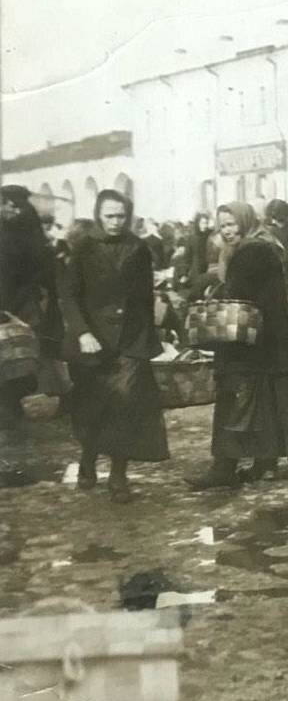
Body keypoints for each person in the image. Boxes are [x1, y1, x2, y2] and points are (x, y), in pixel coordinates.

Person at [187, 202, 288, 489]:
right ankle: (265, 464)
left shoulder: (251, 251)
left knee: (235, 399)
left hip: (250, 340)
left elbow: (237, 293)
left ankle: (224, 466)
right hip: (268, 341)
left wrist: (207, 289)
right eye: (223, 225)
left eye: (232, 224)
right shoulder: (263, 245)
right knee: (264, 400)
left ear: (245, 221)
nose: (227, 231)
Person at [60, 189, 168, 501]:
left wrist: (149, 337)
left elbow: (145, 297)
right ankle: (89, 457)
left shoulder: (138, 248)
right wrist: (82, 333)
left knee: (128, 405)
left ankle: (119, 475)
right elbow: (69, 295)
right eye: (109, 215)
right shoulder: (84, 247)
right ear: (98, 215)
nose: (115, 222)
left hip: (130, 341)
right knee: (93, 404)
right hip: (93, 340)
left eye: (121, 216)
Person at [0, 186, 63, 443]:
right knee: (24, 361)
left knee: (12, 361)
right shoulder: (33, 231)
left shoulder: (8, 234)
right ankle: (16, 413)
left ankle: (10, 417)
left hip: (17, 306)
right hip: (33, 306)